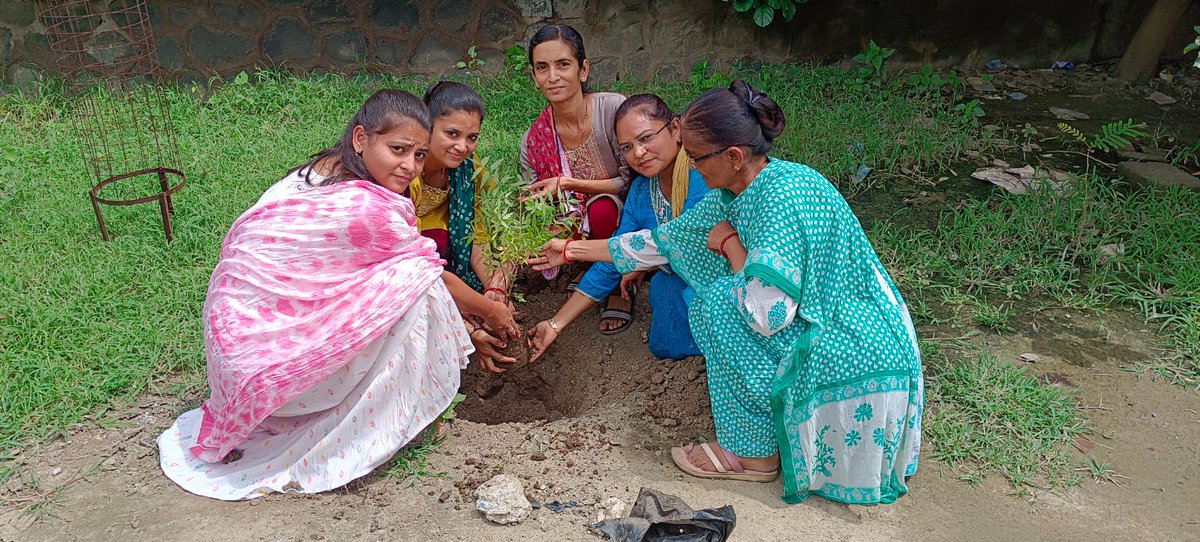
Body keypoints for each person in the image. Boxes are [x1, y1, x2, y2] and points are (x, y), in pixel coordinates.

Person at [528, 81, 923, 505]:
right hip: (835, 321)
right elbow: (663, 241)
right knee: (700, 297)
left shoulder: (781, 198)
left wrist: (732, 245)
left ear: (733, 157)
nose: (693, 168)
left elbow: (764, 316)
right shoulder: (741, 189)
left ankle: (752, 457)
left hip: (853, 341)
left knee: (717, 305)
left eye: (697, 158)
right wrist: (567, 250)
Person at [157, 89, 519, 501]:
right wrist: (490, 311)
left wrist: (490, 294)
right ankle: (390, 418)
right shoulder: (370, 207)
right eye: (398, 150)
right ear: (361, 139)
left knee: (411, 277)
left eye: (418, 155)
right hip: (276, 370)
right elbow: (428, 271)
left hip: (243, 357)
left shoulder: (325, 170)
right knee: (421, 292)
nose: (409, 166)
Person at [527, 94, 708, 357]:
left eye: (646, 138)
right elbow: (613, 260)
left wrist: (571, 250)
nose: (639, 153)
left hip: (723, 284)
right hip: (682, 282)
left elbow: (670, 242)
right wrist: (555, 325)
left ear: (676, 129)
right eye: (626, 147)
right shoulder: (641, 191)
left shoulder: (707, 176)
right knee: (663, 295)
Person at [518, 23, 632, 319]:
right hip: (572, 221)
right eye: (542, 67)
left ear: (583, 70)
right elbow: (535, 201)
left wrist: (568, 182)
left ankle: (621, 282)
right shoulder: (534, 139)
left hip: (627, 213)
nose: (552, 76)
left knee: (603, 209)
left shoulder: (612, 111)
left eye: (563, 64)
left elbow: (631, 180)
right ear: (534, 77)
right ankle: (588, 265)